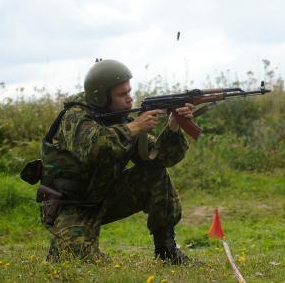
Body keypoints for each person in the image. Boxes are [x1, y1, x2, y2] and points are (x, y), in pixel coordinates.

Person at [39, 59, 193, 264]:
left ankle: (167, 251)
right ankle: (64, 242)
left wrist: (173, 126)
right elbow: (94, 148)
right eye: (122, 94)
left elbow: (160, 158)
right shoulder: (75, 117)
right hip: (70, 205)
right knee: (76, 260)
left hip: (105, 196)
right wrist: (135, 128)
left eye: (129, 92)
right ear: (101, 96)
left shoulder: (120, 120)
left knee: (154, 174)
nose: (130, 99)